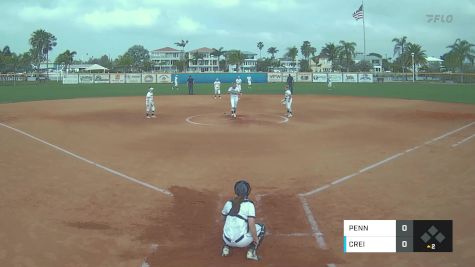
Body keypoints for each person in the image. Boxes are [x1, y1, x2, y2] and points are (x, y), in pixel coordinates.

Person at [221, 180, 265, 261]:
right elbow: (251, 225)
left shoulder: (228, 203)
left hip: (226, 239)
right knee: (262, 228)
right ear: (247, 192)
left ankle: (226, 248)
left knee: (229, 224)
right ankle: (251, 252)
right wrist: (256, 239)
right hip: (241, 242)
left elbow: (223, 219)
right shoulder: (249, 205)